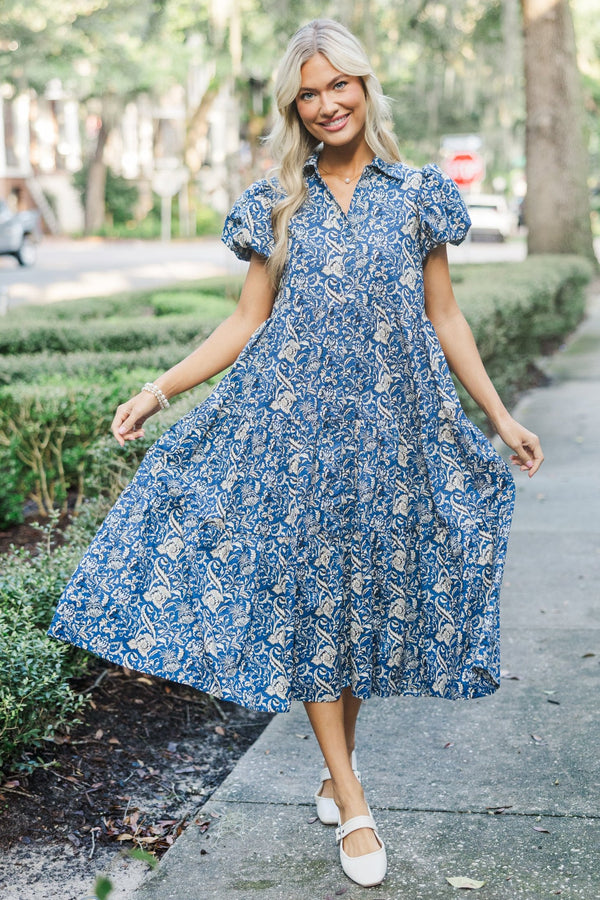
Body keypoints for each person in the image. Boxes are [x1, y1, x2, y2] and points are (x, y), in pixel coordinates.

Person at [48, 18, 543, 888]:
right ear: (294, 108)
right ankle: (353, 802)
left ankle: (333, 766)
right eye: (306, 95)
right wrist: (159, 390)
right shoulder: (279, 200)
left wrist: (498, 417)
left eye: (336, 87)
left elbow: (446, 315)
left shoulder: (418, 191)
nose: (324, 106)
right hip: (295, 436)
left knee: (360, 608)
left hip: (392, 437)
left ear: (363, 85)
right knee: (317, 604)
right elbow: (246, 321)